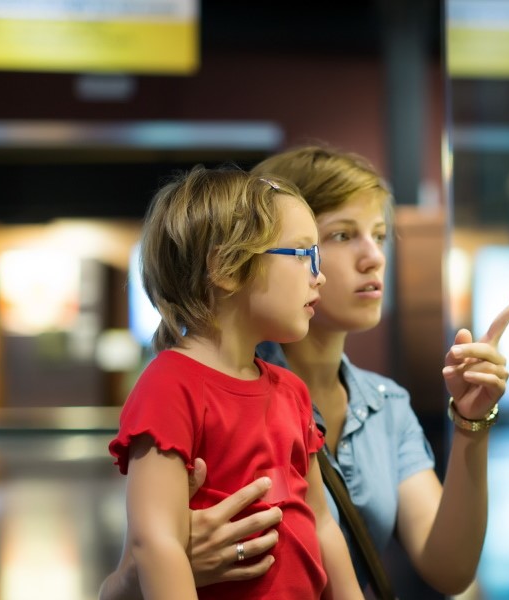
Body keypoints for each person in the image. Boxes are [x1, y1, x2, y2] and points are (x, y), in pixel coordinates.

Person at [98, 146, 509, 599]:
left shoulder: (367, 402)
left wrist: (471, 420)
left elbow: (447, 568)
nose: (374, 258)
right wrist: (152, 567)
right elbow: (148, 549)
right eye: (338, 237)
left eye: (379, 235)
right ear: (230, 263)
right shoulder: (181, 383)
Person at [106, 167, 362, 598]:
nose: (318, 275)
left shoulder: (291, 390)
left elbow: (320, 520)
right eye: (303, 254)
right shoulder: (170, 386)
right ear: (226, 267)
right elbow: (155, 542)